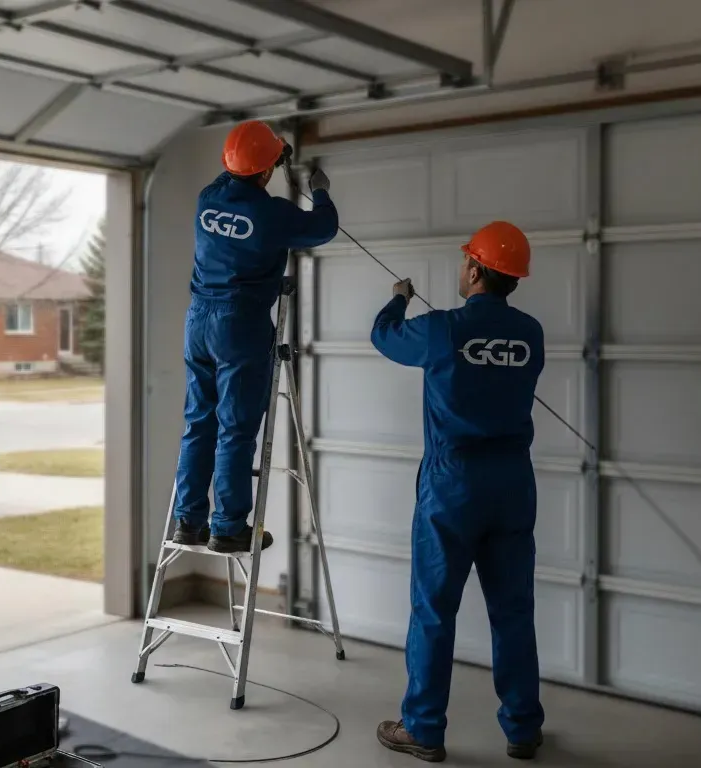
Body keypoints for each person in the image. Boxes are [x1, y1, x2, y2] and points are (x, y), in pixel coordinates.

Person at [370, 221, 547, 762]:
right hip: (514, 482)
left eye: (465, 260)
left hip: (454, 484)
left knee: (433, 610)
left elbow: (384, 337)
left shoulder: (442, 328)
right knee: (513, 610)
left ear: (474, 269)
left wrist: (396, 301)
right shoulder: (532, 332)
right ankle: (522, 728)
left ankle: (423, 728)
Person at [171, 120, 339, 554]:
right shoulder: (272, 214)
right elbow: (323, 227)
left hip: (198, 320)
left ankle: (188, 522)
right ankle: (227, 528)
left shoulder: (207, 198)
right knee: (236, 427)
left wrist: (268, 154)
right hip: (238, 324)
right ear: (264, 171)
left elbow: (236, 175)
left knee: (198, 421)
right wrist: (316, 187)